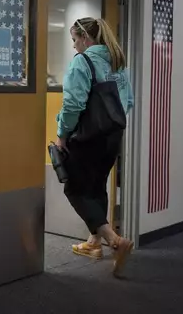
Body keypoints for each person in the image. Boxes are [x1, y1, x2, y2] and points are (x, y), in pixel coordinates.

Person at [55, 17, 135, 277]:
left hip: (88, 137)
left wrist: (62, 135)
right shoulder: (117, 62)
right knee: (97, 184)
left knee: (75, 189)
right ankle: (93, 243)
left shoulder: (83, 62)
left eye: (75, 40)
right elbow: (129, 101)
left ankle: (114, 240)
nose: (75, 46)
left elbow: (73, 105)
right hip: (113, 136)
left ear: (86, 39)